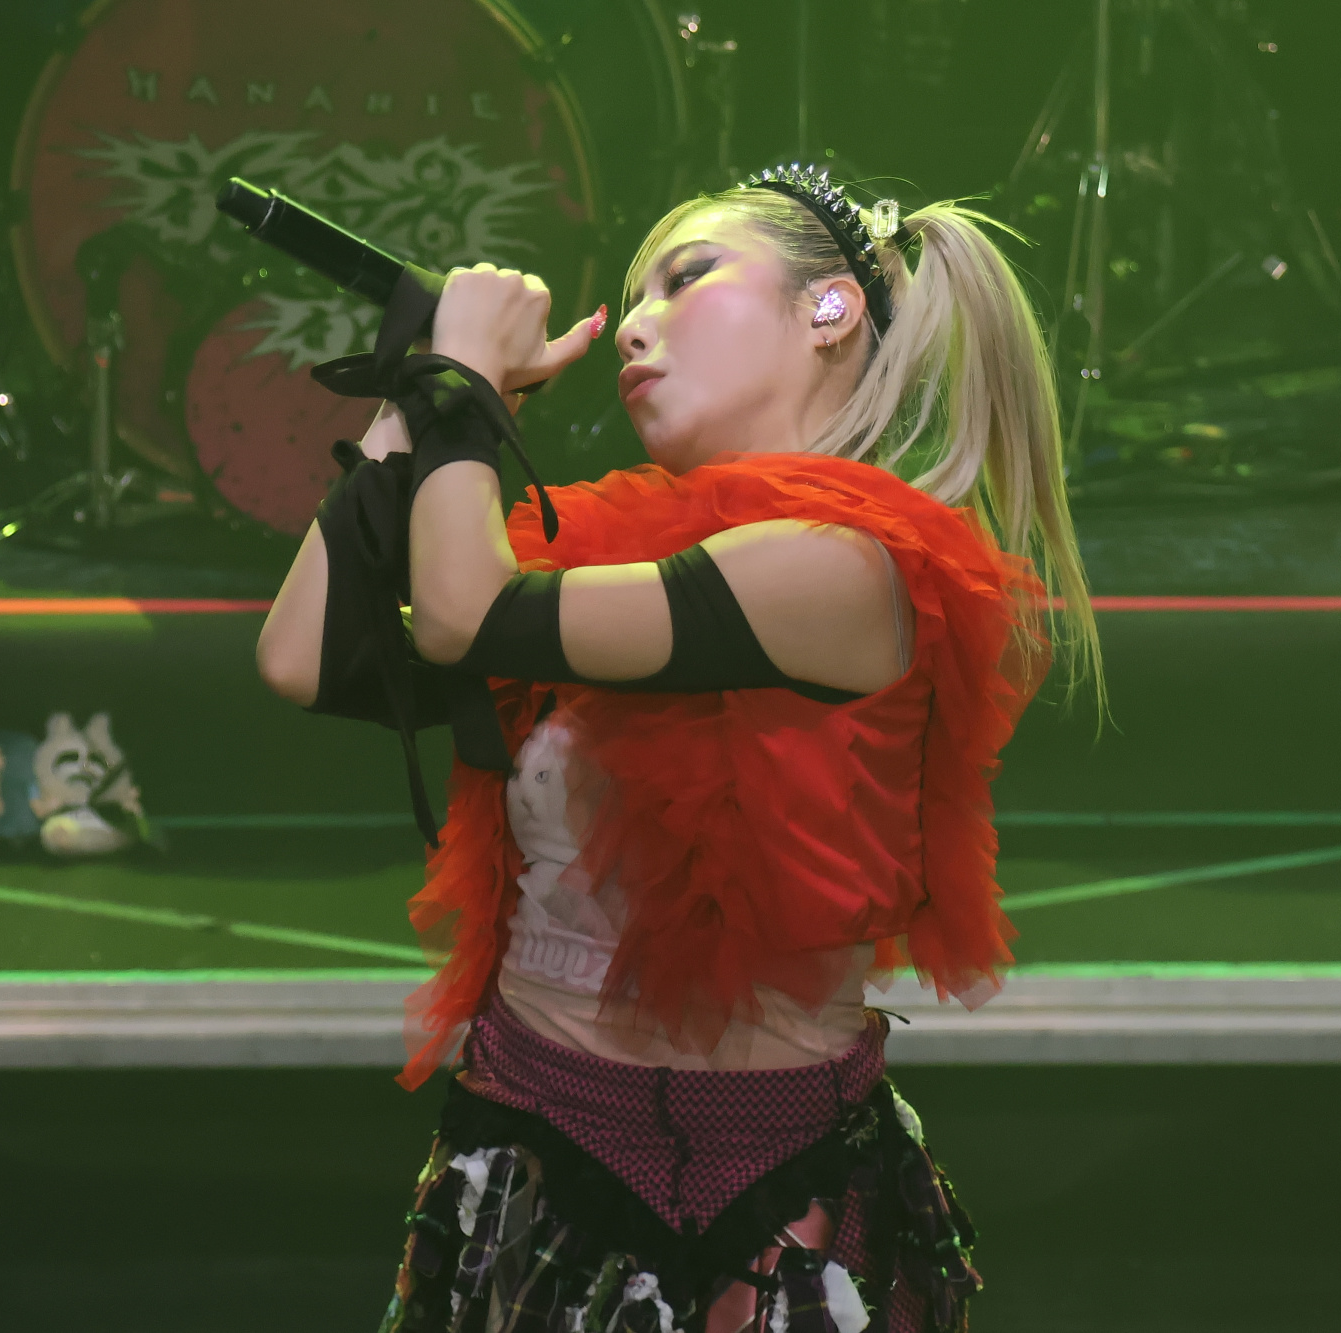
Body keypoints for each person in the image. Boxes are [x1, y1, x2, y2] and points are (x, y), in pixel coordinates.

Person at [255, 164, 1101, 1333]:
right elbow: (305, 656)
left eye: (685, 278)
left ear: (828, 308)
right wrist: (414, 391)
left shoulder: (847, 566)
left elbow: (459, 614)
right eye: (630, 298)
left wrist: (463, 384)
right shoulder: (598, 554)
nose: (632, 324)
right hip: (527, 1150)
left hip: (768, 1199)